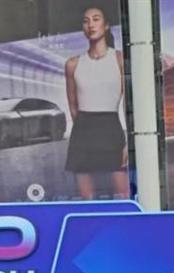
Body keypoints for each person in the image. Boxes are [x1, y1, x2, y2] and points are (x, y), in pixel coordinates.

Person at [64, 6, 128, 200]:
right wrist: (82, 129)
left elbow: (129, 103)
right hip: (83, 130)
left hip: (111, 128)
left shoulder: (120, 59)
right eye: (86, 21)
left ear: (106, 25)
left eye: (96, 19)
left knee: (124, 194)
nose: (90, 24)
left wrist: (127, 141)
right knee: (87, 199)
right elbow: (73, 105)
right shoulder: (73, 64)